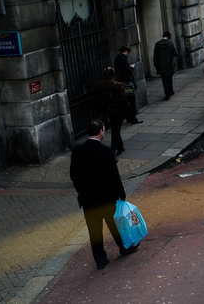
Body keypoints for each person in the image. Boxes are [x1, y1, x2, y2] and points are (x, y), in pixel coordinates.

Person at [70, 120, 139, 270]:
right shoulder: (106, 151)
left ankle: (100, 260)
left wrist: (82, 191)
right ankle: (124, 247)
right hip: (106, 198)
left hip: (88, 199)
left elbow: (74, 175)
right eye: (103, 130)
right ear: (101, 132)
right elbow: (114, 176)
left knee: (94, 231)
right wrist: (121, 195)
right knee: (114, 225)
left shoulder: (77, 151)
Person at [95, 67, 129, 155]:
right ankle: (112, 151)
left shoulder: (99, 85)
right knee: (115, 131)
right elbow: (123, 101)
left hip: (106, 112)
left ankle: (120, 147)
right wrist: (126, 112)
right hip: (117, 113)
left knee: (115, 130)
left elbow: (97, 100)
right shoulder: (118, 85)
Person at [113, 46, 142, 124]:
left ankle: (129, 117)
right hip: (127, 82)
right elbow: (127, 71)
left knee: (127, 101)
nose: (128, 54)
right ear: (125, 51)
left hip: (122, 81)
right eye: (128, 52)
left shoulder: (117, 58)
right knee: (132, 99)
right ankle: (132, 118)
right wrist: (132, 68)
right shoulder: (122, 59)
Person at [153, 31, 180, 100]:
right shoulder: (171, 44)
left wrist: (156, 64)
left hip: (161, 65)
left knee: (164, 79)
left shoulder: (157, 44)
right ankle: (170, 91)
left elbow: (155, 56)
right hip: (169, 64)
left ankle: (167, 93)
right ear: (169, 36)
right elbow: (176, 54)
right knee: (169, 78)